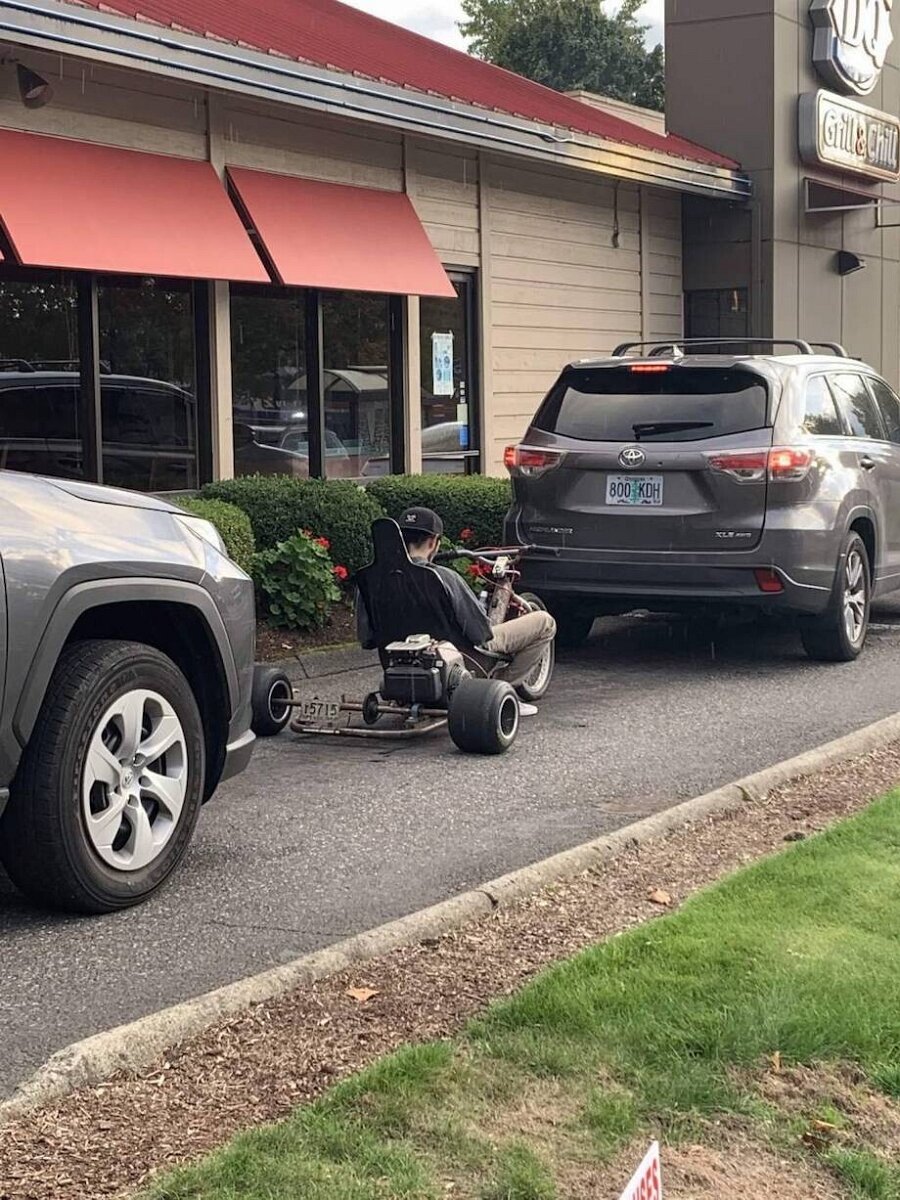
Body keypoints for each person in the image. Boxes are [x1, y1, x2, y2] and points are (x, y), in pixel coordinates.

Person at [357, 506, 556, 714]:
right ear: (433, 542)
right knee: (544, 622)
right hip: (458, 665)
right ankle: (499, 689)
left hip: (395, 665)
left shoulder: (370, 580)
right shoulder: (443, 577)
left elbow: (367, 639)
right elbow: (480, 634)